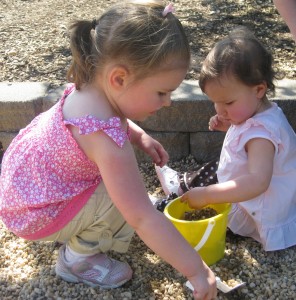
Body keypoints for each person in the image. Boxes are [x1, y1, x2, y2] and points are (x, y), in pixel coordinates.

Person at [0, 1, 217, 299]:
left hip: (23, 191)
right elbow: (140, 216)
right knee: (125, 198)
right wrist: (196, 270)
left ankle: (83, 227)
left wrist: (139, 137)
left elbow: (115, 117)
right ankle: (77, 260)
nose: (168, 102)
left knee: (122, 189)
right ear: (119, 78)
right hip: (36, 214)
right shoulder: (105, 140)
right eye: (162, 92)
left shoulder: (89, 86)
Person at [156, 26, 296, 252]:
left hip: (258, 204)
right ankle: (184, 184)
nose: (220, 109)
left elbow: (258, 182)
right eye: (215, 102)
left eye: (228, 103)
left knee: (213, 184)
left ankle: (173, 196)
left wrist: (209, 195)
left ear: (259, 89)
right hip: (265, 190)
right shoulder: (261, 114)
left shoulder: (262, 136)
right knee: (218, 168)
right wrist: (230, 125)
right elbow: (248, 147)